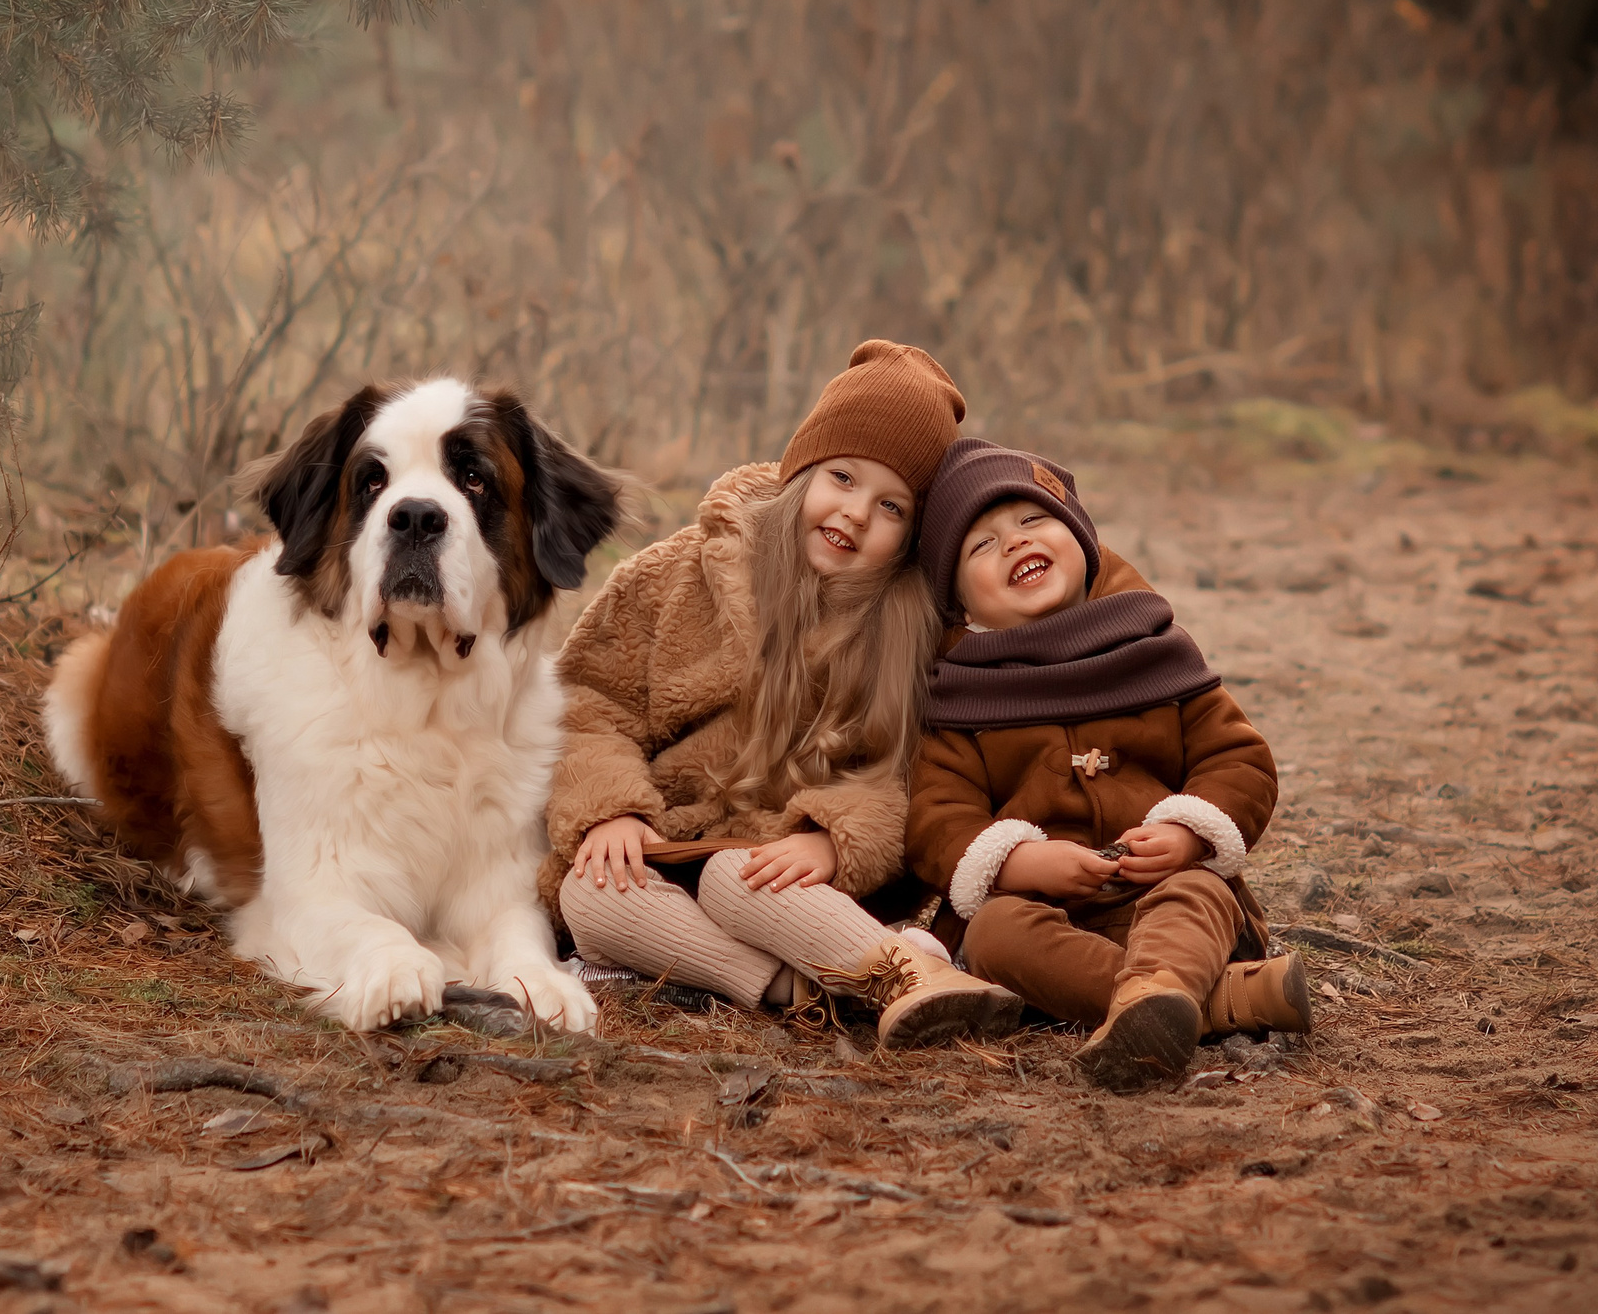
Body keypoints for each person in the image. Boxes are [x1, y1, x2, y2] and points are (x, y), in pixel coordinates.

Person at [549, 341, 1025, 1049]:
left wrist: (835, 839)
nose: (856, 512)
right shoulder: (678, 573)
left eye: (890, 505)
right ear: (802, 467)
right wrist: (609, 811)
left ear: (912, 536)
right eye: (841, 477)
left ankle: (905, 975)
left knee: (738, 878)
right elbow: (587, 700)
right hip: (662, 846)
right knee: (587, 898)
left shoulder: (910, 632)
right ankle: (799, 988)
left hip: (784, 866)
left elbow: (911, 774)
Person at [903, 439, 1312, 1089]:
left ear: (1083, 541)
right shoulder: (959, 698)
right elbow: (933, 814)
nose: (1013, 541)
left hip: (1164, 891)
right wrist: (1017, 861)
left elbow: (1238, 758)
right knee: (993, 933)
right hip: (1051, 921)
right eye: (981, 544)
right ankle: (1206, 1001)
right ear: (961, 608)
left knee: (1201, 891)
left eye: (1034, 520)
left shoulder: (1153, 653)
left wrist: (1186, 833)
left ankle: (1164, 991)